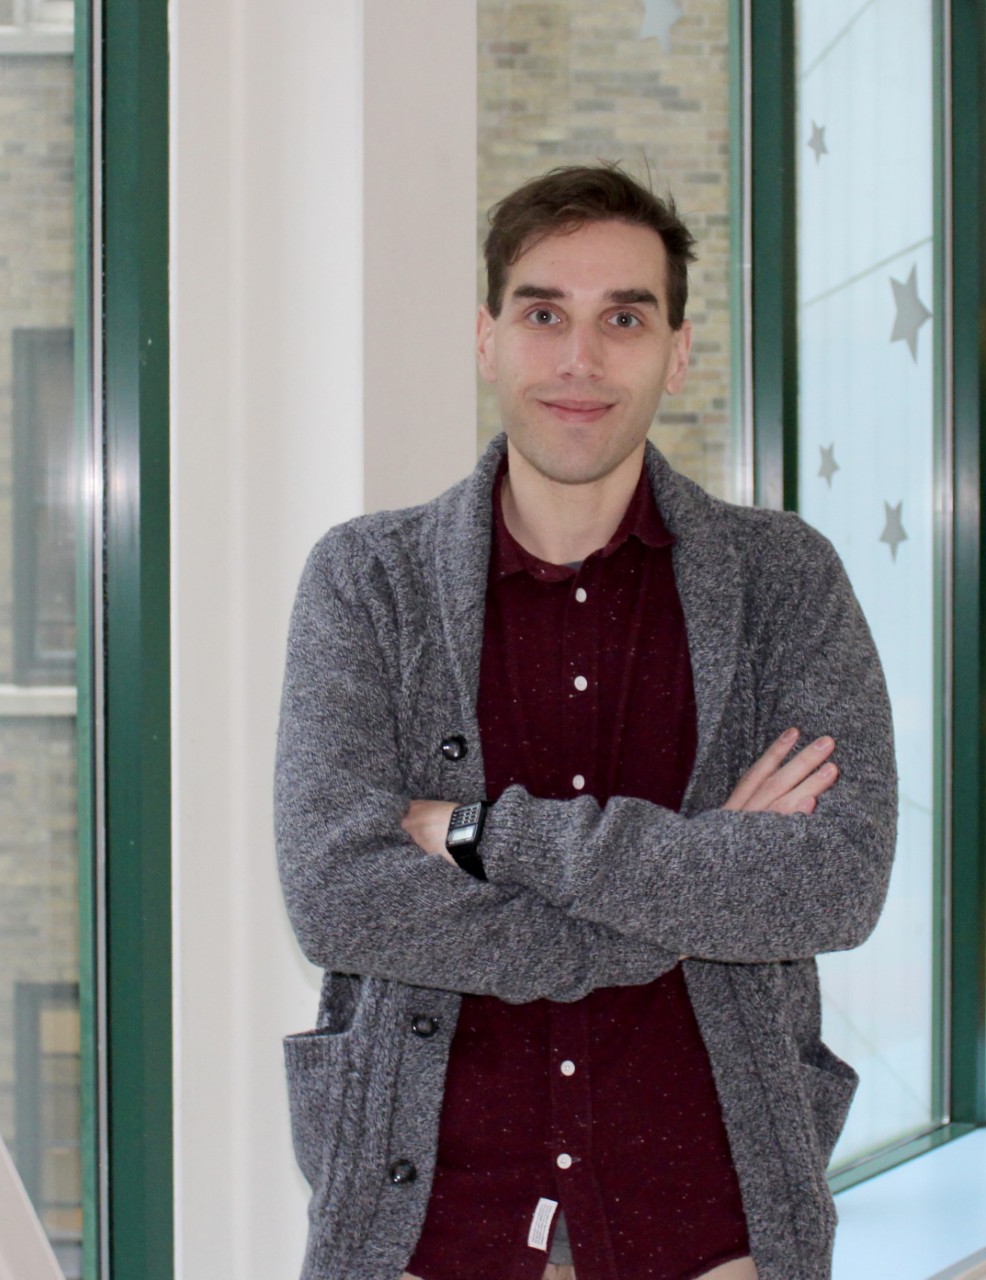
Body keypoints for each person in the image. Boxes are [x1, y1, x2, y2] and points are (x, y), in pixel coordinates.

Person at [275, 162, 897, 1280]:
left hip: (711, 1225)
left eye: (625, 317)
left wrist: (480, 836)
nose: (580, 358)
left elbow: (835, 879)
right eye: (543, 313)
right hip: (431, 1229)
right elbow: (339, 894)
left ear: (678, 349)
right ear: (486, 338)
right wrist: (698, 879)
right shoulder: (367, 582)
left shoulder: (783, 581)